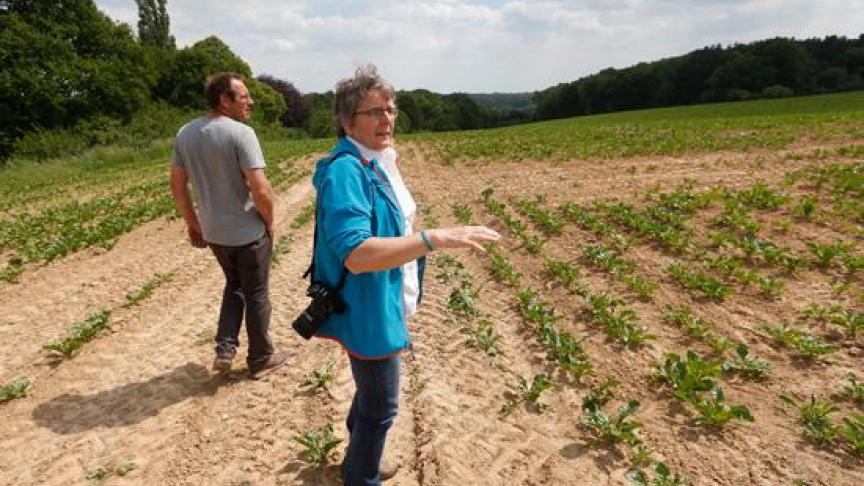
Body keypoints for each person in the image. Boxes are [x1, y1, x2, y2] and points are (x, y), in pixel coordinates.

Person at [310, 65, 501, 485]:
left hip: (380, 297)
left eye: (391, 109)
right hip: (368, 306)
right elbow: (357, 255)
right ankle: (361, 476)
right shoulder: (348, 171)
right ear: (346, 121)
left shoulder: (374, 162)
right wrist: (434, 239)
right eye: (374, 112)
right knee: (382, 408)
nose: (387, 119)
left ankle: (361, 457)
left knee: (371, 395)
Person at [170, 72, 288, 379]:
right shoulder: (241, 133)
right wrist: (269, 221)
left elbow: (178, 187)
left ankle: (225, 348)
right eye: (244, 96)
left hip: (215, 234)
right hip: (247, 232)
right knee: (257, 293)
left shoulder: (185, 133)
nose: (251, 101)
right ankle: (261, 358)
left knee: (234, 285)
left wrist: (193, 224)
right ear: (225, 99)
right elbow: (260, 190)